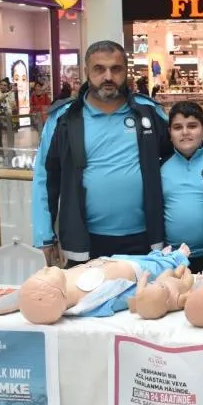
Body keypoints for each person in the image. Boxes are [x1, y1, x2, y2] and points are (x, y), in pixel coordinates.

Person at [32, 40, 172, 266]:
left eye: (116, 69)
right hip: (84, 242)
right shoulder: (64, 119)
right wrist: (44, 236)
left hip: (145, 240)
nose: (108, 76)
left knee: (145, 300)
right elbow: (45, 178)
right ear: (86, 72)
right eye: (99, 69)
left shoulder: (149, 112)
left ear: (126, 72)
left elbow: (176, 158)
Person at [162, 101, 203, 273]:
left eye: (192, 126)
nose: (185, 132)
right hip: (172, 257)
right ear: (170, 132)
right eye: (178, 127)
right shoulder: (160, 168)